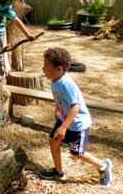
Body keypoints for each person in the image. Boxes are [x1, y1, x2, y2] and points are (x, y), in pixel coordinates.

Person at [39, 47, 112, 185]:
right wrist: (58, 109)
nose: (43, 68)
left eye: (47, 65)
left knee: (76, 153)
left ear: (59, 68)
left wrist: (64, 127)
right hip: (64, 119)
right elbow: (61, 99)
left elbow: (75, 107)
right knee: (53, 141)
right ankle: (59, 172)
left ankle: (103, 166)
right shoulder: (54, 79)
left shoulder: (66, 84)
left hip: (78, 124)